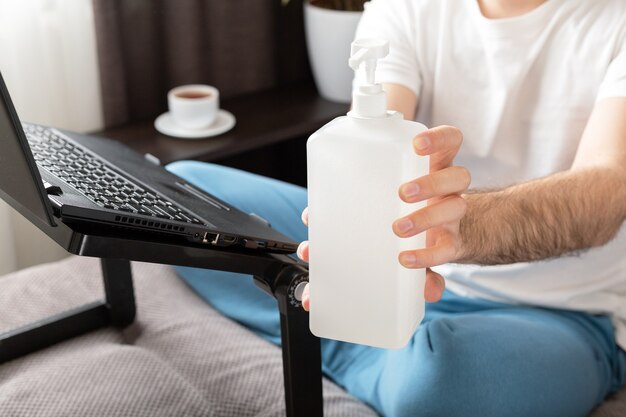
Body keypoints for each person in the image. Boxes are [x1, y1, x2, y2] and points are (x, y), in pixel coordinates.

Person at [166, 0, 626, 415]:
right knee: (180, 197)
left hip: (555, 311)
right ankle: (364, 343)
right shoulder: (408, 6)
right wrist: (354, 211)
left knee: (439, 386)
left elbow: (607, 192)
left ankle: (336, 339)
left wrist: (461, 228)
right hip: (398, 258)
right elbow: (372, 134)